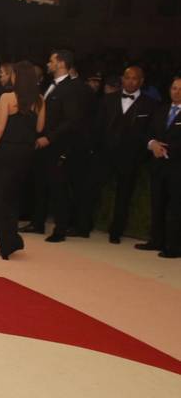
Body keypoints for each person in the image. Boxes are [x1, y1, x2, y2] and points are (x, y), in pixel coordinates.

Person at [0, 61, 46, 259]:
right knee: (13, 198)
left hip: (7, 151)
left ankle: (5, 243)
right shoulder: (39, 100)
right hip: (26, 154)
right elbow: (40, 128)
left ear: (18, 77)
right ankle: (9, 240)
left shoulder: (7, 97)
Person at [23, 50, 88, 242]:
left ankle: (60, 229)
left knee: (58, 188)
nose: (48, 64)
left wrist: (49, 138)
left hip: (58, 146)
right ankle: (37, 222)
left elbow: (71, 120)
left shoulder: (71, 88)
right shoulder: (50, 85)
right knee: (40, 184)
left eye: (51, 60)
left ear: (60, 63)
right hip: (42, 144)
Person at [88, 66, 158, 243]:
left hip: (130, 157)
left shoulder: (150, 104)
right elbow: (98, 126)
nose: (130, 81)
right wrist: (95, 149)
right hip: (105, 154)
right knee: (92, 189)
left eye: (135, 78)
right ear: (122, 79)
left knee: (124, 195)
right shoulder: (108, 99)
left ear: (141, 81)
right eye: (127, 77)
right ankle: (84, 224)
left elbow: (151, 131)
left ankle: (116, 231)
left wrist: (141, 156)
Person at [135, 77, 181, 258]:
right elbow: (146, 132)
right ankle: (156, 240)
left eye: (180, 89)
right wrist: (152, 143)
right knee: (157, 204)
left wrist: (166, 149)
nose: (176, 91)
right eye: (174, 88)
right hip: (158, 166)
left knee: (175, 208)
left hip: (177, 167)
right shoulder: (161, 110)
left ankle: (174, 246)